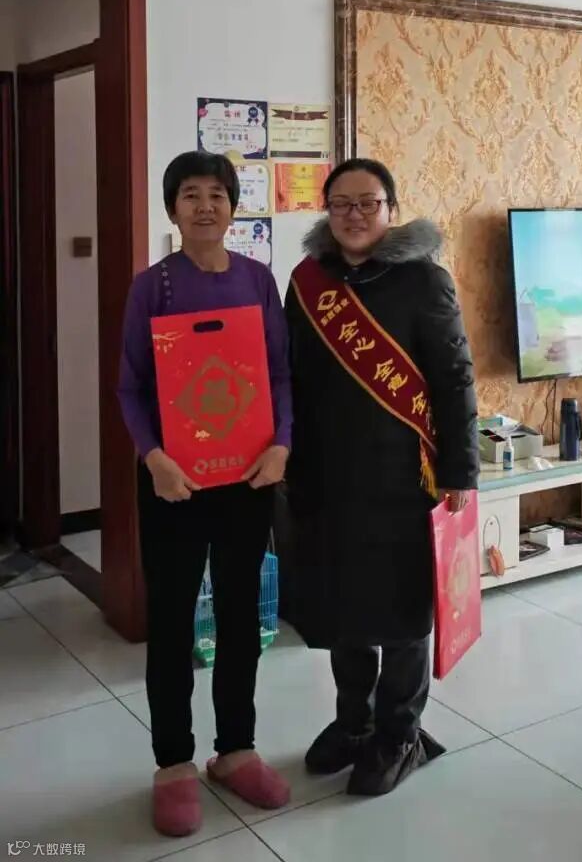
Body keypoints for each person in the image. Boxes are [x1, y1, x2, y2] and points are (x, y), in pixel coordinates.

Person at [285, 158, 478, 797]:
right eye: (341, 203)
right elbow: (292, 376)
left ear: (391, 209)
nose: (355, 215)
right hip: (328, 475)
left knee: (401, 611)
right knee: (344, 605)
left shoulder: (424, 280)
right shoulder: (308, 282)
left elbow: (454, 380)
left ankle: (400, 732)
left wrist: (460, 471)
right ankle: (355, 722)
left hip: (404, 477)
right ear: (327, 212)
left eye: (368, 202)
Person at [118, 151, 292, 837]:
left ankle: (237, 749)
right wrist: (153, 458)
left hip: (248, 477)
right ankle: (173, 763)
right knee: (170, 619)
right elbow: (130, 386)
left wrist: (282, 444)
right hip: (175, 480)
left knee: (242, 614)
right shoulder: (153, 287)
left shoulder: (257, 279)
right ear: (173, 208)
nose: (204, 206)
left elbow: (279, 375)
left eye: (217, 194)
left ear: (233, 206)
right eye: (190, 194)